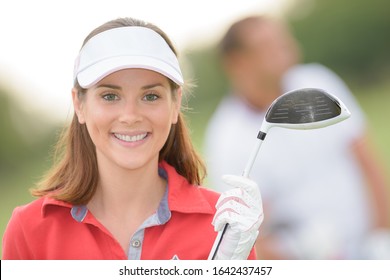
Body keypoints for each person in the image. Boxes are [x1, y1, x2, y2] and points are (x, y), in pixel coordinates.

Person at [2, 17, 263, 260]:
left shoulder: (226, 225)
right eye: (110, 96)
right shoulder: (30, 230)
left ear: (175, 104)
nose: (130, 116)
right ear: (79, 105)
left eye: (150, 96)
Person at [204, 15, 390, 259]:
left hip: (374, 245)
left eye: (284, 39)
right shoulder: (226, 138)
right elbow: (254, 235)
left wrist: (382, 235)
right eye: (269, 45)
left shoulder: (318, 80)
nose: (288, 48)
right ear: (238, 62)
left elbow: (368, 162)